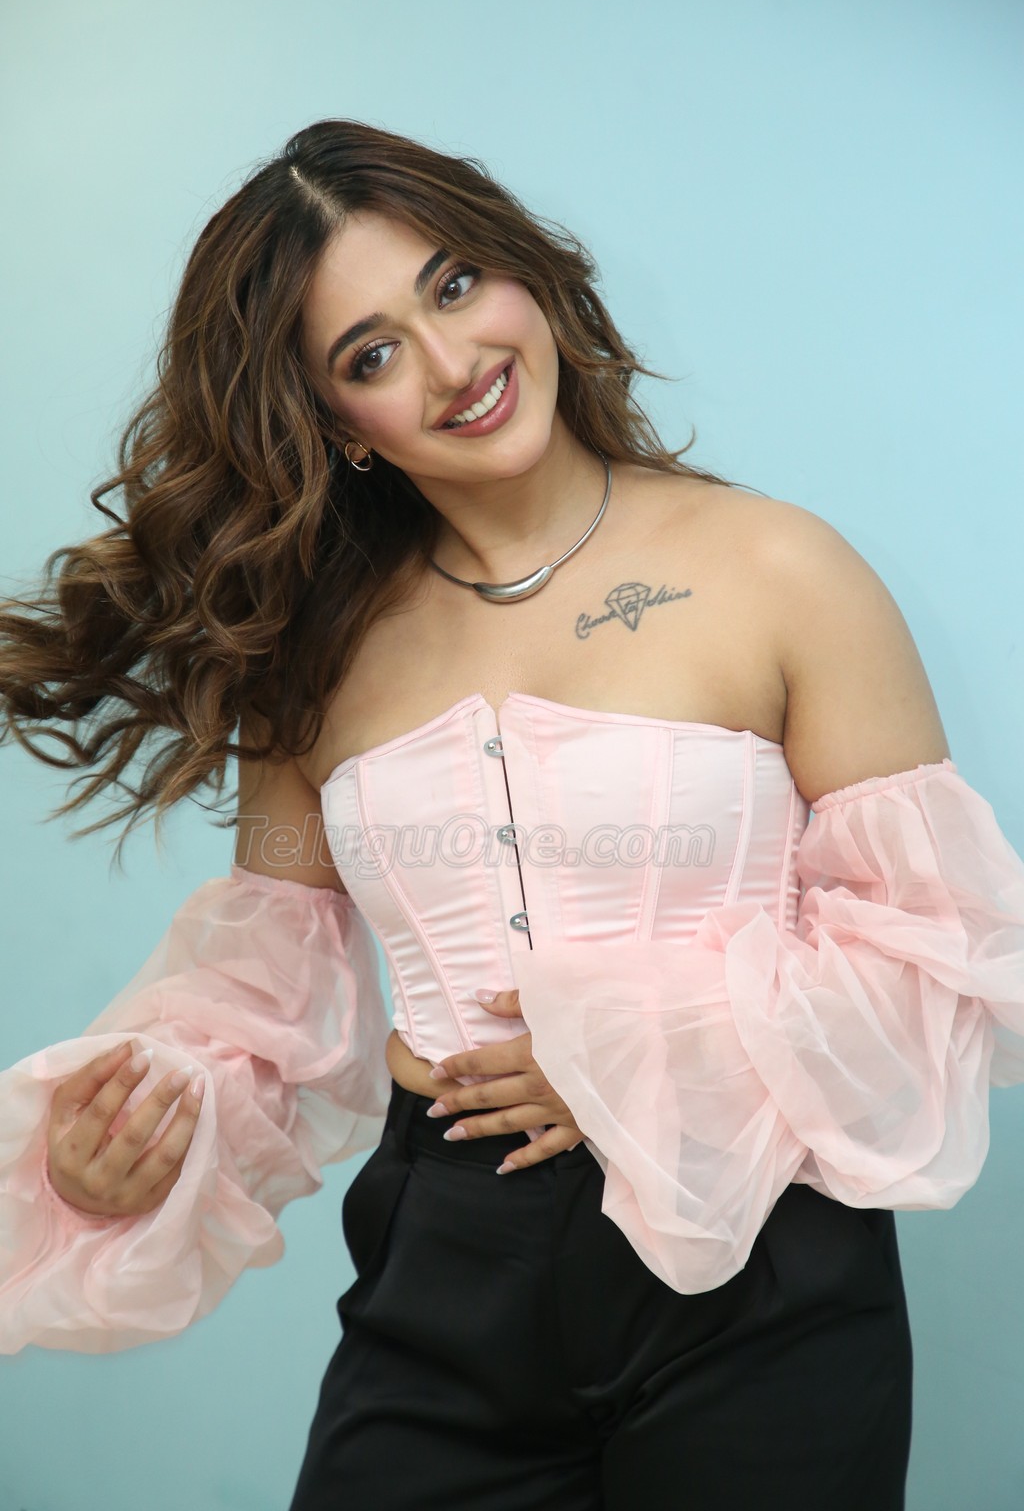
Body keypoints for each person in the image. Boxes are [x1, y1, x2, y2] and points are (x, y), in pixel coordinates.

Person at [1, 118, 1023, 1511]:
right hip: (449, 1263)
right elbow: (263, 989)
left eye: (455, 283)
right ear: (334, 424)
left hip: (761, 1254)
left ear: (522, 269)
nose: (451, 363)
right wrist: (133, 1140)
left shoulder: (780, 567)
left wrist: (626, 1045)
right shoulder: (314, 661)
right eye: (371, 353)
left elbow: (939, 955)